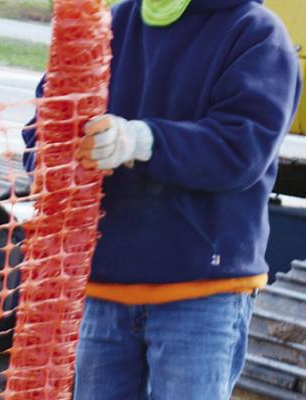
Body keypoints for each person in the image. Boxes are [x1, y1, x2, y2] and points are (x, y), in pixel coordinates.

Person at [23, 0, 301, 398]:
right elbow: (45, 126)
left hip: (202, 294)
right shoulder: (106, 25)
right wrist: (56, 157)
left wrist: (142, 140)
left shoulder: (254, 34)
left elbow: (242, 150)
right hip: (104, 291)